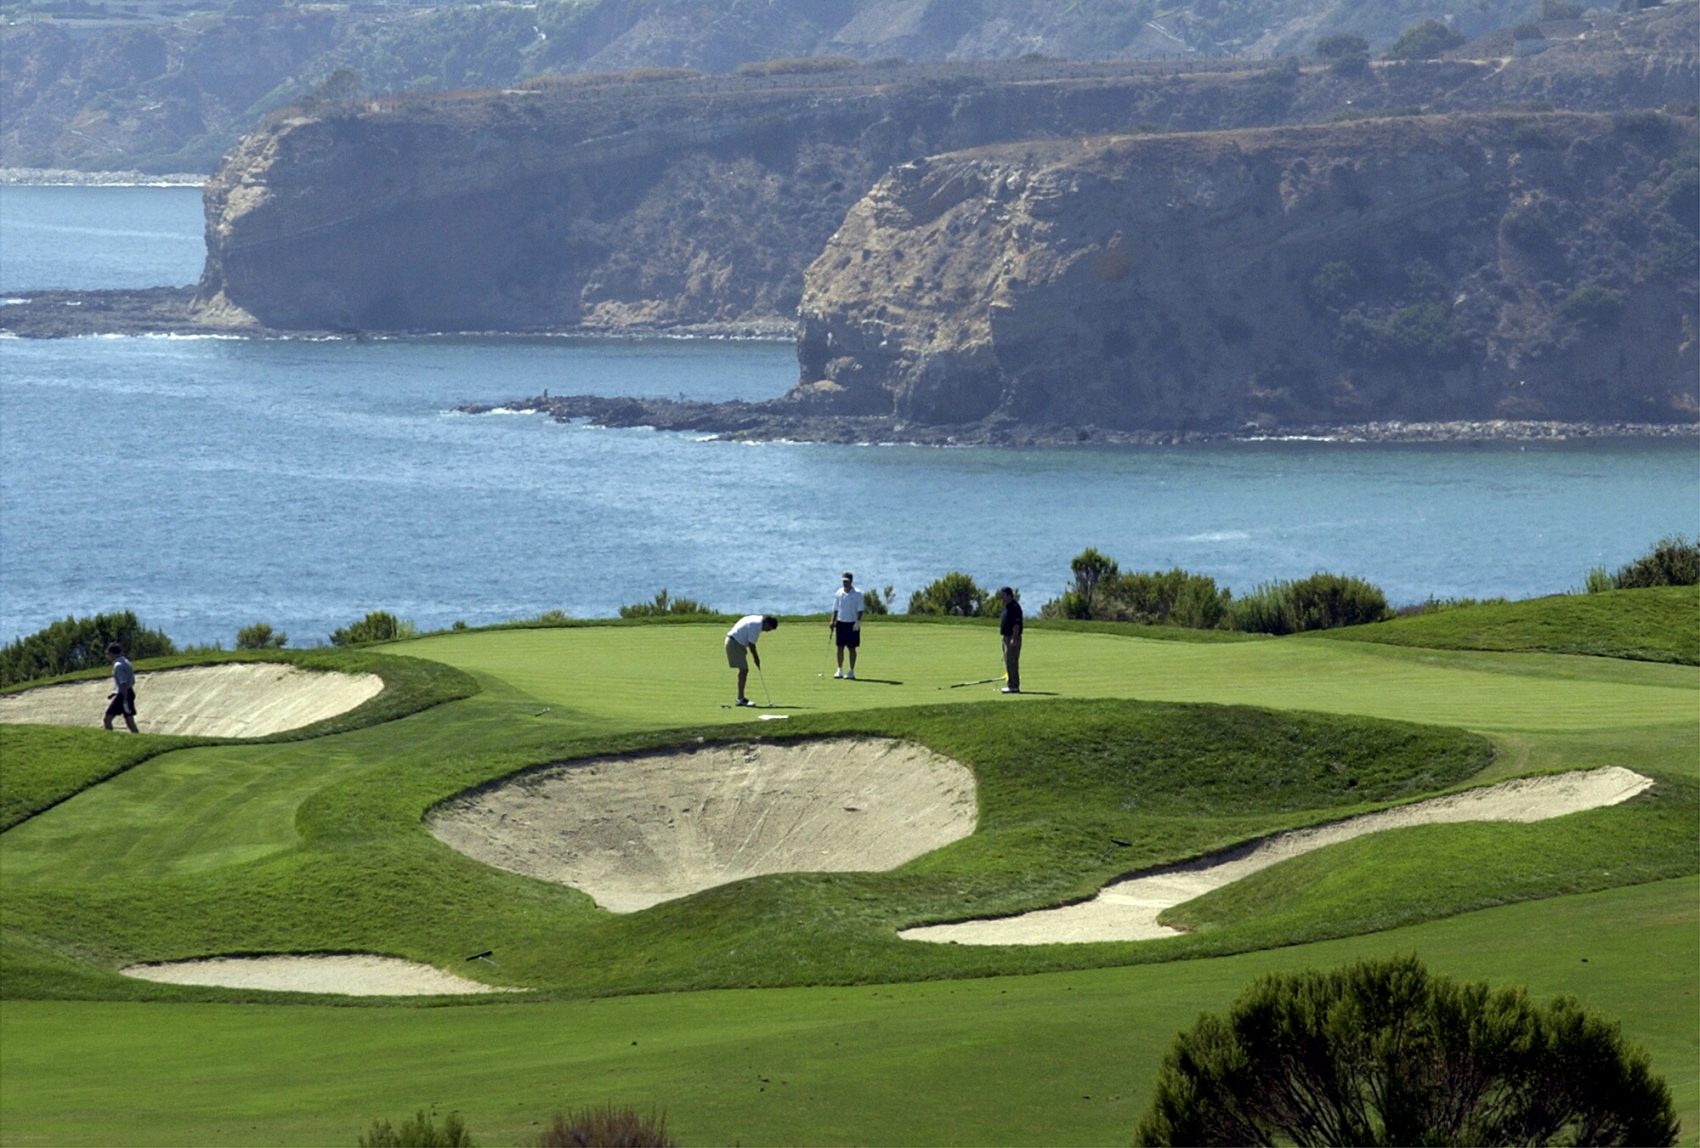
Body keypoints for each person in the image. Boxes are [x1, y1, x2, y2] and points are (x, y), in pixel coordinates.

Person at [724, 613, 779, 706]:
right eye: (768, 629)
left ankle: (740, 698)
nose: (767, 631)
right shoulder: (757, 626)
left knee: (744, 670)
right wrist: (756, 658)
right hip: (734, 643)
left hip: (736, 642)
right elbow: (751, 645)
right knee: (744, 670)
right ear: (767, 623)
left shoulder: (757, 619)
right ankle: (740, 699)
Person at [828, 571, 864, 679]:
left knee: (852, 648)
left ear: (851, 582)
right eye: (843, 581)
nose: (845, 583)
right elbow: (835, 609)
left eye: (847, 581)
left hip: (852, 624)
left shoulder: (858, 594)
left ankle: (851, 671)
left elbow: (860, 610)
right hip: (840, 623)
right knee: (839, 648)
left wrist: (858, 622)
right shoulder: (839, 593)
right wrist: (832, 621)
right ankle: (839, 670)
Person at [103, 641, 138, 732]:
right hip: (128, 692)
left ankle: (109, 738)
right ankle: (136, 736)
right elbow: (132, 681)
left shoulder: (118, 666)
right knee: (129, 720)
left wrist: (124, 699)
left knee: (107, 719)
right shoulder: (127, 662)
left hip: (124, 695)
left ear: (111, 653)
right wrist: (115, 692)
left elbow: (123, 683)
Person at [997, 586, 1022, 694]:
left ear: (1009, 595)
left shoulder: (1015, 607)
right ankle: (1010, 684)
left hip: (1012, 638)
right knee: (1008, 662)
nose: (1001, 598)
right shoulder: (1007, 606)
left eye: (1003, 595)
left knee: (1012, 662)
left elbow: (1017, 624)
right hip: (1006, 638)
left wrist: (1014, 638)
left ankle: (1014, 686)